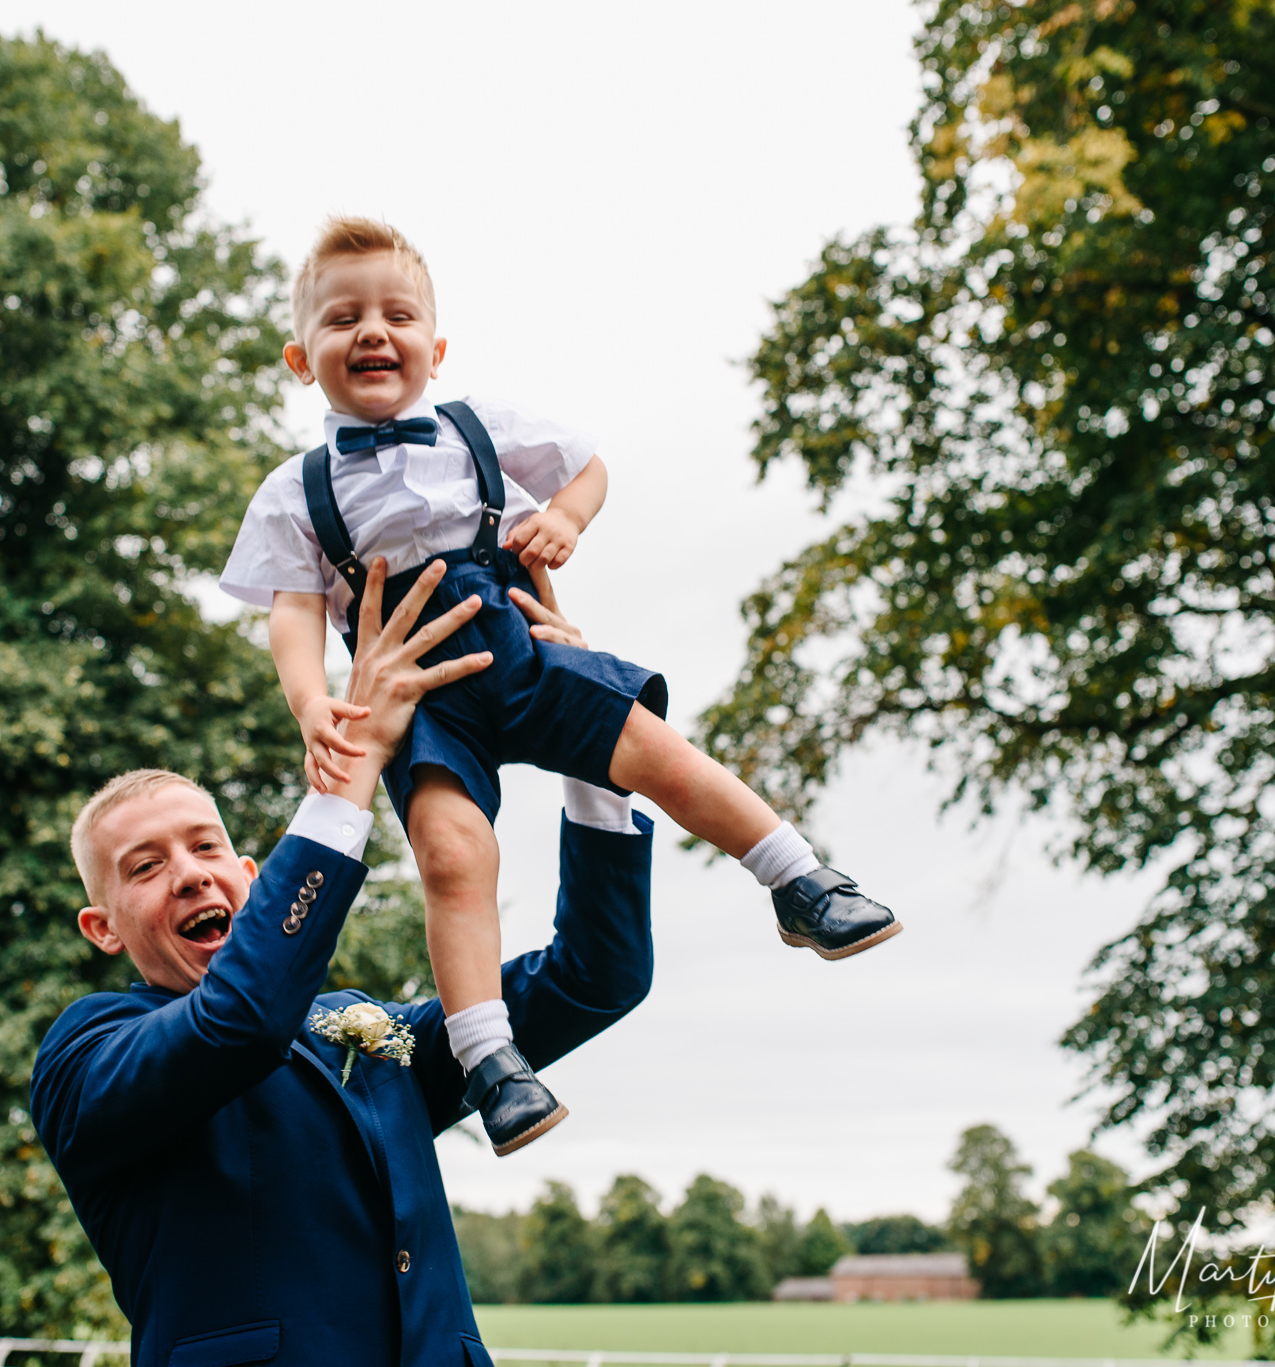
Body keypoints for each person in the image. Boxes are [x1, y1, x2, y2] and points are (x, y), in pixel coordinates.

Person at [217, 216, 901, 1156]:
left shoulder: (479, 428)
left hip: (526, 644)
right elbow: (293, 610)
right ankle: (491, 1058)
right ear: (302, 358)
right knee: (453, 856)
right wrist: (310, 701)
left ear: (436, 345)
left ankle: (799, 878)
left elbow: (587, 468)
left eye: (396, 314)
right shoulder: (295, 492)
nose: (372, 331)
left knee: (658, 751)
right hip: (420, 694)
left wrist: (567, 522)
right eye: (343, 319)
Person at [31, 562, 655, 1367]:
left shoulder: (362, 1029)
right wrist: (352, 766)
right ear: (102, 927)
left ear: (253, 878)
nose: (188, 872)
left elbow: (596, 976)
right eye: (144, 867)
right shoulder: (86, 1054)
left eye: (205, 845)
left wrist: (589, 753)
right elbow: (242, 1021)